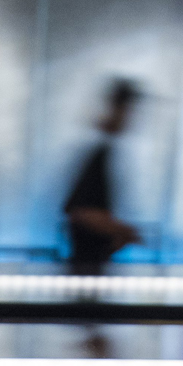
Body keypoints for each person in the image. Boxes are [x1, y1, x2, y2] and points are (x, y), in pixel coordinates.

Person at [64, 80, 143, 277]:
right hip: (85, 271)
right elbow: (81, 212)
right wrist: (123, 231)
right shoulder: (98, 152)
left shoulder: (105, 151)